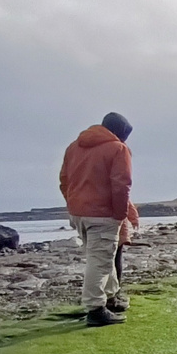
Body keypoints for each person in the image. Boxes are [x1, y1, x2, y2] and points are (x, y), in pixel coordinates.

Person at [59, 112, 136, 327]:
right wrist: (120, 214)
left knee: (103, 255)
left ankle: (111, 297)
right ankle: (95, 309)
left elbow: (64, 180)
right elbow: (122, 184)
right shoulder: (118, 149)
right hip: (103, 214)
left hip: (78, 213)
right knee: (100, 261)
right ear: (120, 133)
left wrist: (73, 203)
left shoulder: (73, 148)